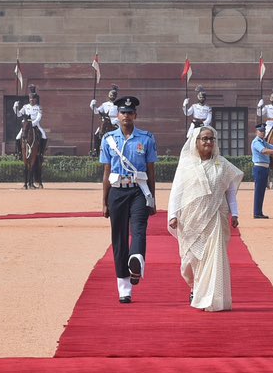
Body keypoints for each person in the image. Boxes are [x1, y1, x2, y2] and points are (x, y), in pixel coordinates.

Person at [168, 126, 243, 312]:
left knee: (213, 258)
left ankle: (210, 298)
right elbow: (177, 191)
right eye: (204, 139)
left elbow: (230, 192)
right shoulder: (186, 164)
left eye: (211, 139)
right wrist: (172, 215)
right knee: (190, 261)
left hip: (216, 217)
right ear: (196, 142)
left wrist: (235, 213)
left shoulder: (222, 164)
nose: (208, 142)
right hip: (190, 220)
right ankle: (194, 286)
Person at [100, 95, 157, 304]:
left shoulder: (146, 139)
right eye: (123, 112)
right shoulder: (108, 139)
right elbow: (106, 171)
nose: (126, 116)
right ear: (117, 115)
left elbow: (151, 170)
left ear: (135, 115)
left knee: (139, 229)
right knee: (119, 238)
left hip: (139, 190)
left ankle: (136, 260)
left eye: (130, 113)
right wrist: (104, 201)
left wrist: (152, 197)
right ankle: (124, 289)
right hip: (117, 191)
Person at [250, 123, 273, 219]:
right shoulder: (256, 142)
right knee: (258, 191)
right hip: (259, 168)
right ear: (256, 132)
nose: (262, 133)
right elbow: (264, 151)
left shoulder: (263, 141)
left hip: (264, 168)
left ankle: (259, 212)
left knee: (262, 191)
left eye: (263, 131)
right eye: (260, 131)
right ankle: (257, 213)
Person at [14, 85, 48, 155]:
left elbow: (38, 118)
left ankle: (41, 152)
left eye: (33, 98)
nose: (31, 100)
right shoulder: (25, 107)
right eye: (30, 98)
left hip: (35, 124)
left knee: (44, 135)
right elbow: (19, 114)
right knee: (17, 137)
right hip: (26, 124)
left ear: (36, 99)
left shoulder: (39, 107)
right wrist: (15, 108)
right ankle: (19, 153)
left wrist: (32, 124)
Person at [90, 84, 120, 156]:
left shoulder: (118, 104)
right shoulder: (104, 104)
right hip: (105, 121)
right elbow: (97, 111)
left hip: (115, 122)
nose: (111, 96)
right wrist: (93, 105)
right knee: (96, 134)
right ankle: (96, 151)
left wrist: (114, 121)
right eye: (110, 95)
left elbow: (120, 115)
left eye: (113, 95)